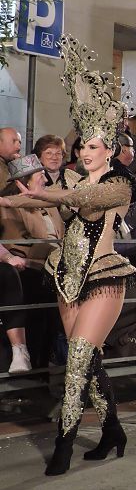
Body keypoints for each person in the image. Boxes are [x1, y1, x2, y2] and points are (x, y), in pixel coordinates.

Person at [5, 35, 136, 476]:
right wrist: (17, 202)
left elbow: (81, 201)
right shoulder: (70, 180)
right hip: (66, 274)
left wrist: (36, 197)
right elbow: (49, 199)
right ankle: (113, 430)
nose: (83, 151)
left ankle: (63, 444)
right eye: (81, 145)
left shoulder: (120, 185)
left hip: (103, 276)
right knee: (90, 361)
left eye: (92, 147)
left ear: (110, 151)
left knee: (79, 356)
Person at [0, 155, 48, 373]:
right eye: (40, 176)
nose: (46, 179)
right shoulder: (11, 207)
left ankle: (23, 352)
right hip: (30, 260)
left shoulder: (49, 204)